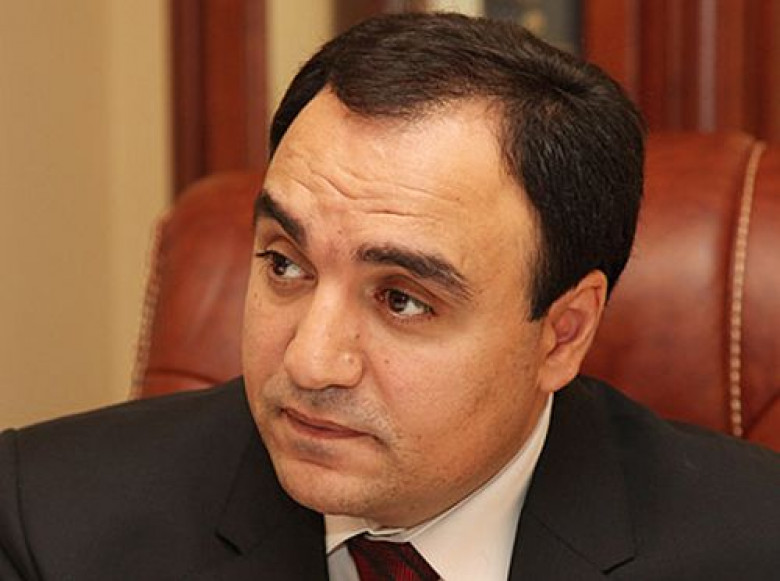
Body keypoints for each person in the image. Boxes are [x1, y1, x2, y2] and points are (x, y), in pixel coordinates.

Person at [1, 12, 778, 581]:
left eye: (402, 299)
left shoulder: (755, 543)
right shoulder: (47, 522)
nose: (310, 362)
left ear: (563, 333)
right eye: (286, 265)